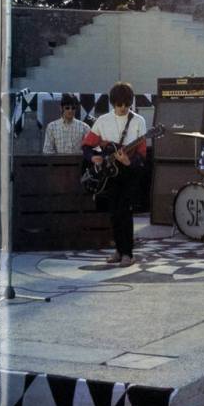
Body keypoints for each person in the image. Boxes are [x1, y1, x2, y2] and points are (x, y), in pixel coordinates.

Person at [82, 82, 146, 268]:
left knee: (125, 212)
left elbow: (142, 155)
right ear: (113, 103)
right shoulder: (102, 121)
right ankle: (119, 250)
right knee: (114, 213)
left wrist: (129, 162)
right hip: (109, 173)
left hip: (129, 172)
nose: (123, 108)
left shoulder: (138, 121)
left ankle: (128, 253)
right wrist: (93, 157)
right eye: (119, 105)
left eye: (126, 104)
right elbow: (86, 146)